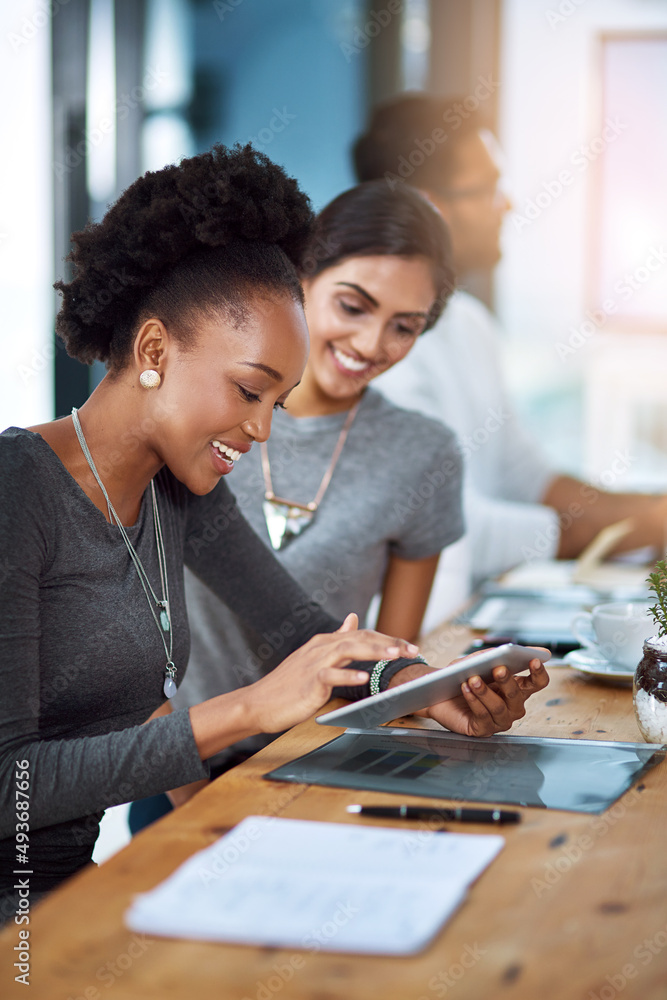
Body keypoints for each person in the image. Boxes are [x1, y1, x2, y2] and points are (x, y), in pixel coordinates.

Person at [0, 143, 549, 922]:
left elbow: (299, 628)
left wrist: (421, 693)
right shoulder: (16, 491)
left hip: (71, 895)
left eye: (277, 403)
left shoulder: (177, 493)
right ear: (154, 349)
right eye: (250, 391)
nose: (260, 429)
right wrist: (248, 709)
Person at [353, 94, 667, 618]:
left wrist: (642, 508)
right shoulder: (379, 348)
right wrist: (635, 525)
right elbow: (457, 528)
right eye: (489, 188)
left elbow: (528, 477)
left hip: (481, 614)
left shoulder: (468, 320)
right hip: (426, 635)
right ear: (431, 207)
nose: (509, 204)